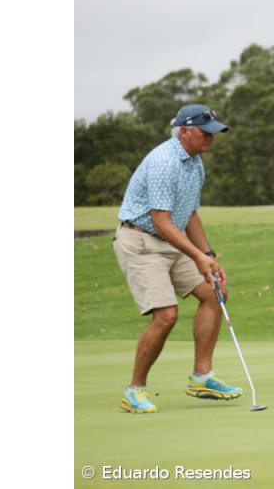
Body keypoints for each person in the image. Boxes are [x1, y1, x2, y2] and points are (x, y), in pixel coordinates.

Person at [113, 104, 242, 413]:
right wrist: (196, 256)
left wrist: (208, 256)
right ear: (184, 131)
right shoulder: (164, 161)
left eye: (213, 133)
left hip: (171, 238)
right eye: (205, 132)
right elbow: (161, 221)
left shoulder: (195, 163)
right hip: (142, 241)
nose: (211, 138)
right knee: (166, 315)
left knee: (214, 293)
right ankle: (134, 390)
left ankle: (202, 377)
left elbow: (189, 213)